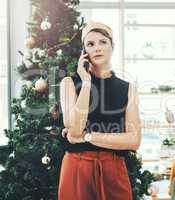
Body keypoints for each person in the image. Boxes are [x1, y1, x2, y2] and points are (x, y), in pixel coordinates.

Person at [58, 21, 141, 200]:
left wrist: (87, 137)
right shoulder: (69, 83)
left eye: (103, 42)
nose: (97, 48)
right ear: (84, 52)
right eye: (90, 44)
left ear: (112, 46)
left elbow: (134, 140)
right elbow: (74, 129)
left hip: (114, 170)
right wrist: (86, 82)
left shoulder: (128, 88)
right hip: (77, 169)